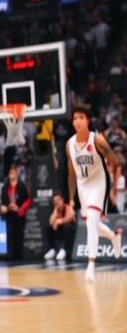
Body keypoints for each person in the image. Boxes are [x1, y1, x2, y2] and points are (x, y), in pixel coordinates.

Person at [66, 106, 122, 281]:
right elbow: (71, 173)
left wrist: (113, 189)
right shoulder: (69, 144)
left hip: (99, 182)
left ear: (87, 120)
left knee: (91, 220)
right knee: (94, 224)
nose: (77, 121)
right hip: (83, 186)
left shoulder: (97, 140)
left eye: (81, 117)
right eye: (75, 118)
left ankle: (91, 266)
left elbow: (115, 162)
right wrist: (71, 198)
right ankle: (114, 236)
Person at [0, 165, 31, 261]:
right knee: (10, 236)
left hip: (19, 215)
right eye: (10, 172)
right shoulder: (5, 187)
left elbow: (28, 200)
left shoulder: (22, 186)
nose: (11, 174)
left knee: (19, 236)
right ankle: (10, 256)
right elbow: (2, 202)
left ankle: (19, 257)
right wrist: (5, 207)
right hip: (9, 215)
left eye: (13, 172)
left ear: (17, 174)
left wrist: (19, 208)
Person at [44, 192, 76, 262]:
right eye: (55, 201)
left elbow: (69, 218)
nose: (56, 202)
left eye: (58, 200)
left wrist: (59, 221)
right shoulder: (56, 210)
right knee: (48, 228)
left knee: (66, 227)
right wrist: (55, 214)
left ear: (62, 200)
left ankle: (63, 250)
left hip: (69, 229)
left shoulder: (67, 207)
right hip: (60, 229)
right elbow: (51, 222)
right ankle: (52, 250)